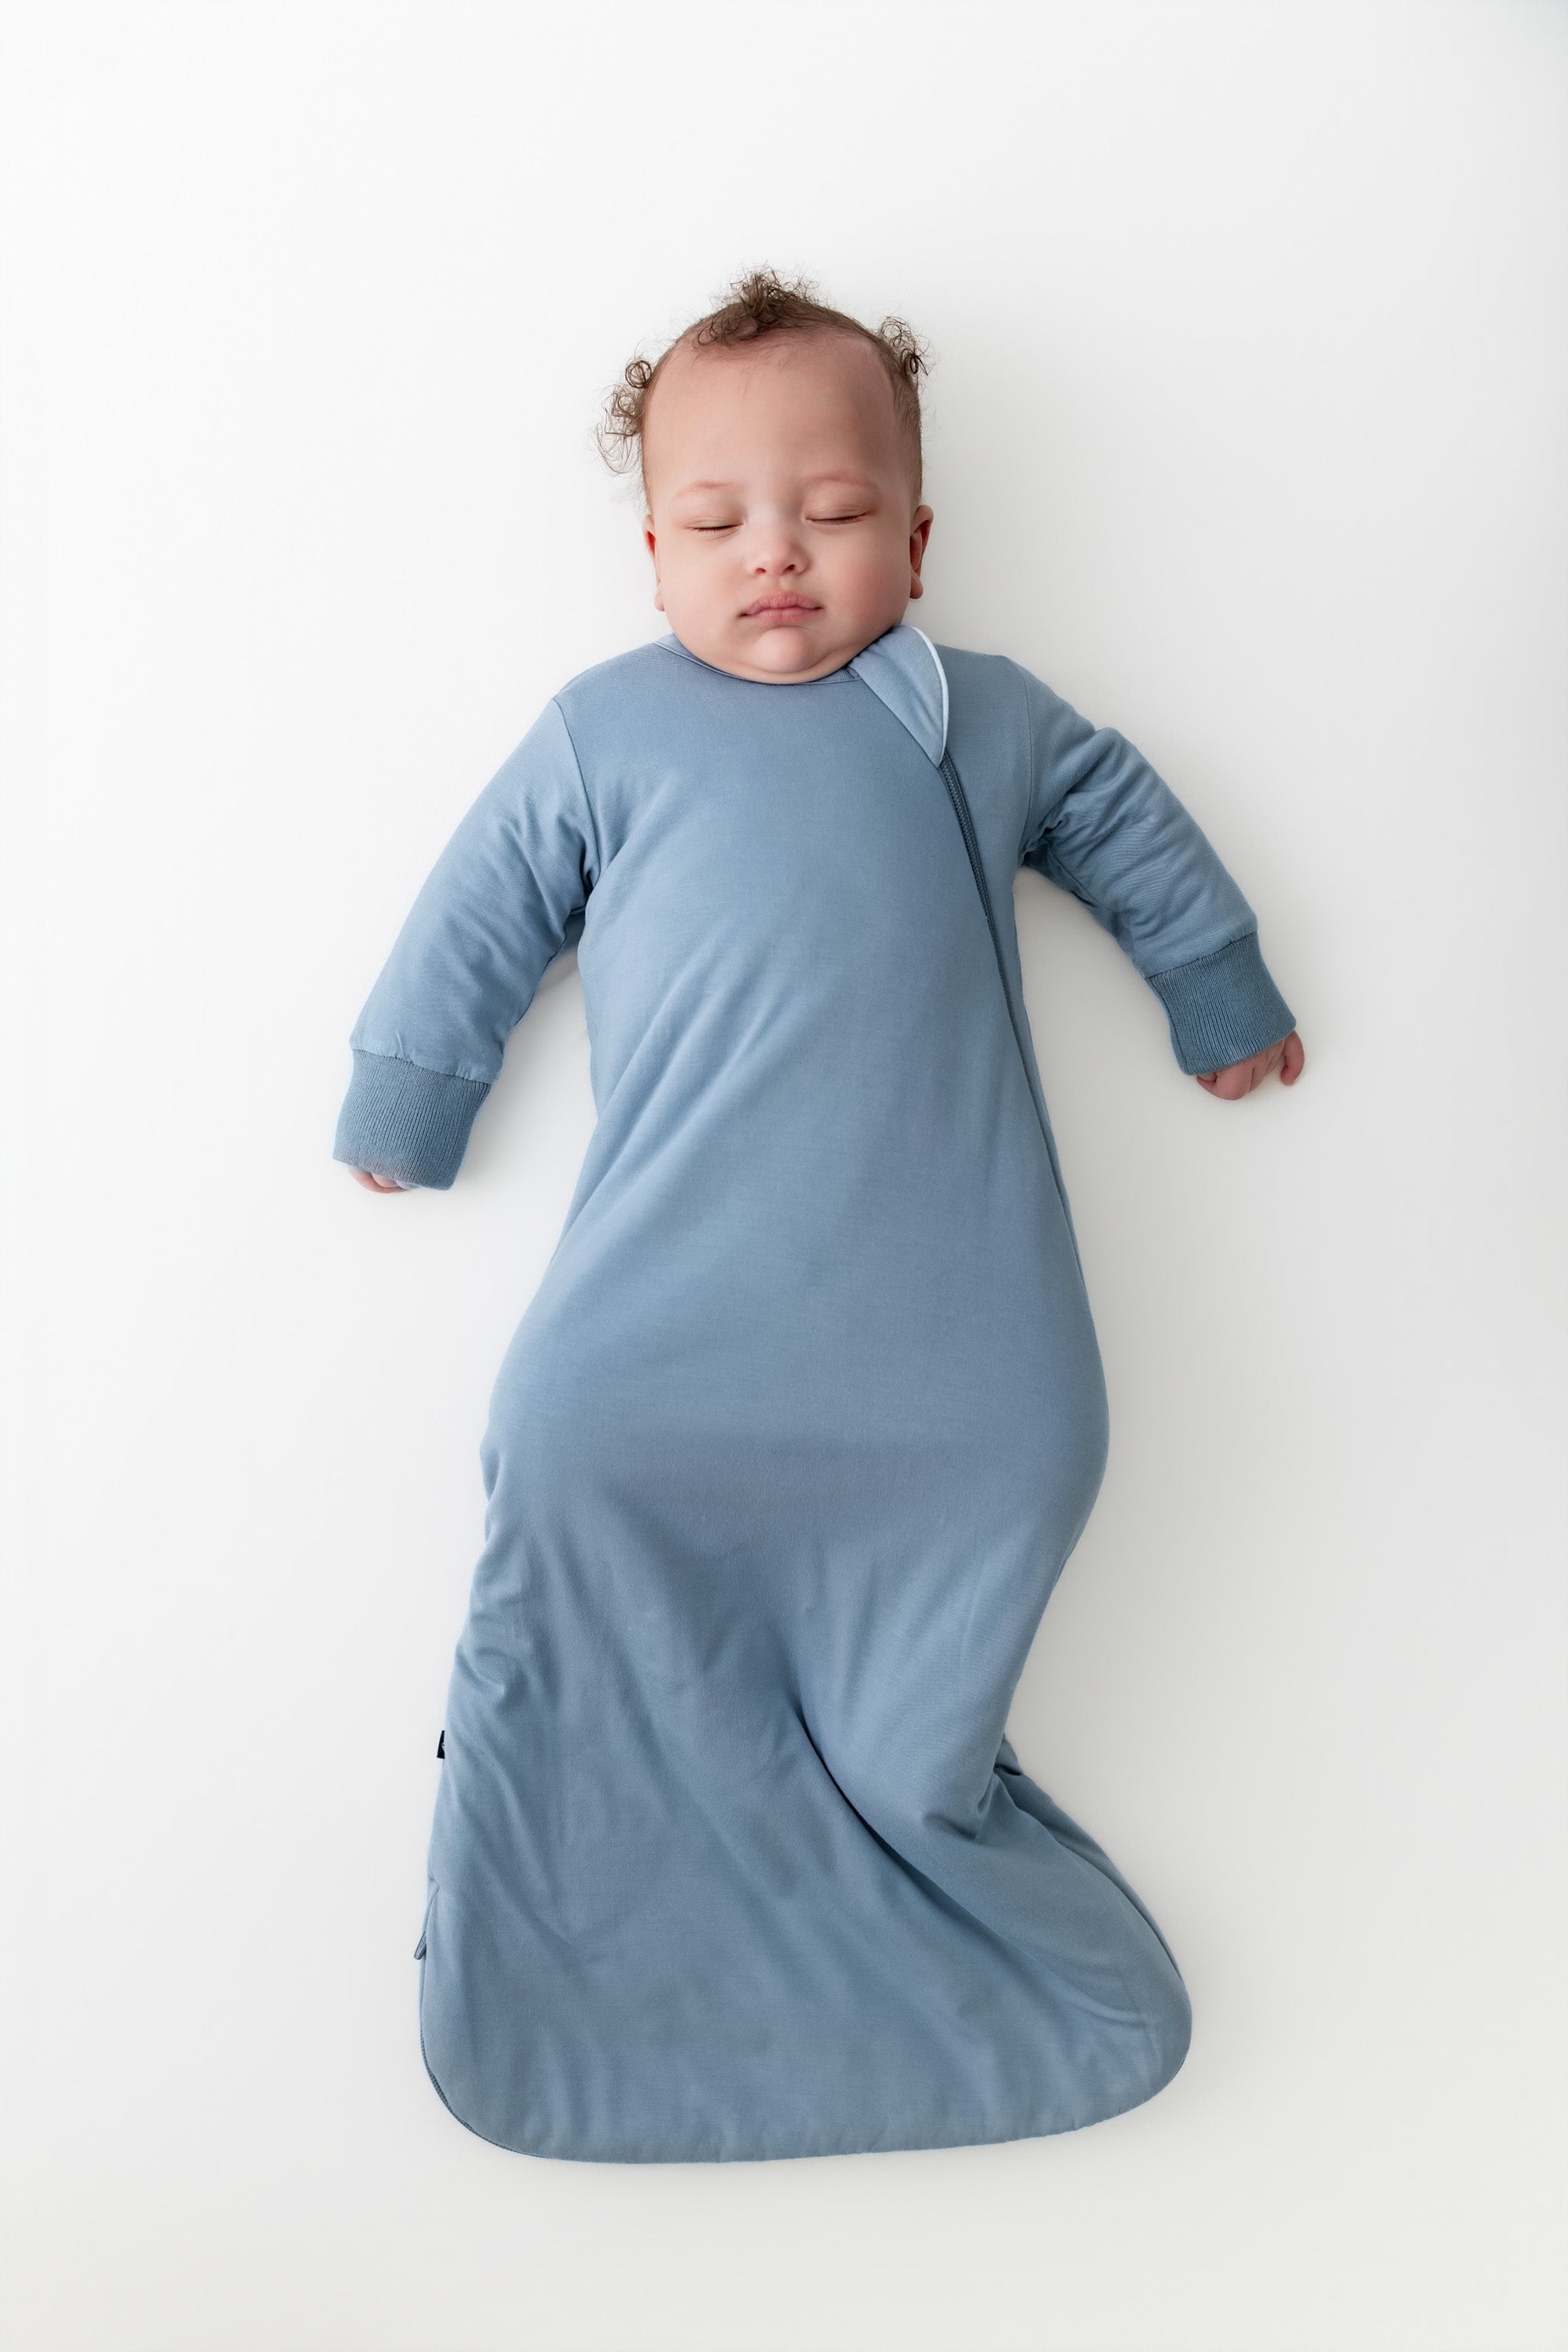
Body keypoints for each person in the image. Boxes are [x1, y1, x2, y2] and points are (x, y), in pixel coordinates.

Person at [332, 268, 1305, 2164]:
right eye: (716, 523)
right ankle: (599, 1948)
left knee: (986, 1540)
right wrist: (411, 1095)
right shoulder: (608, 735)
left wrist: (1219, 989)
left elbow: (1128, 828)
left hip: (962, 1357)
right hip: (661, 1343)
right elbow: (476, 914)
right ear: (652, 553)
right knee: (563, 1466)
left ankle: (905, 1816)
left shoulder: (981, 717)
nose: (775, 556)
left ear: (917, 538)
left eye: (835, 514)